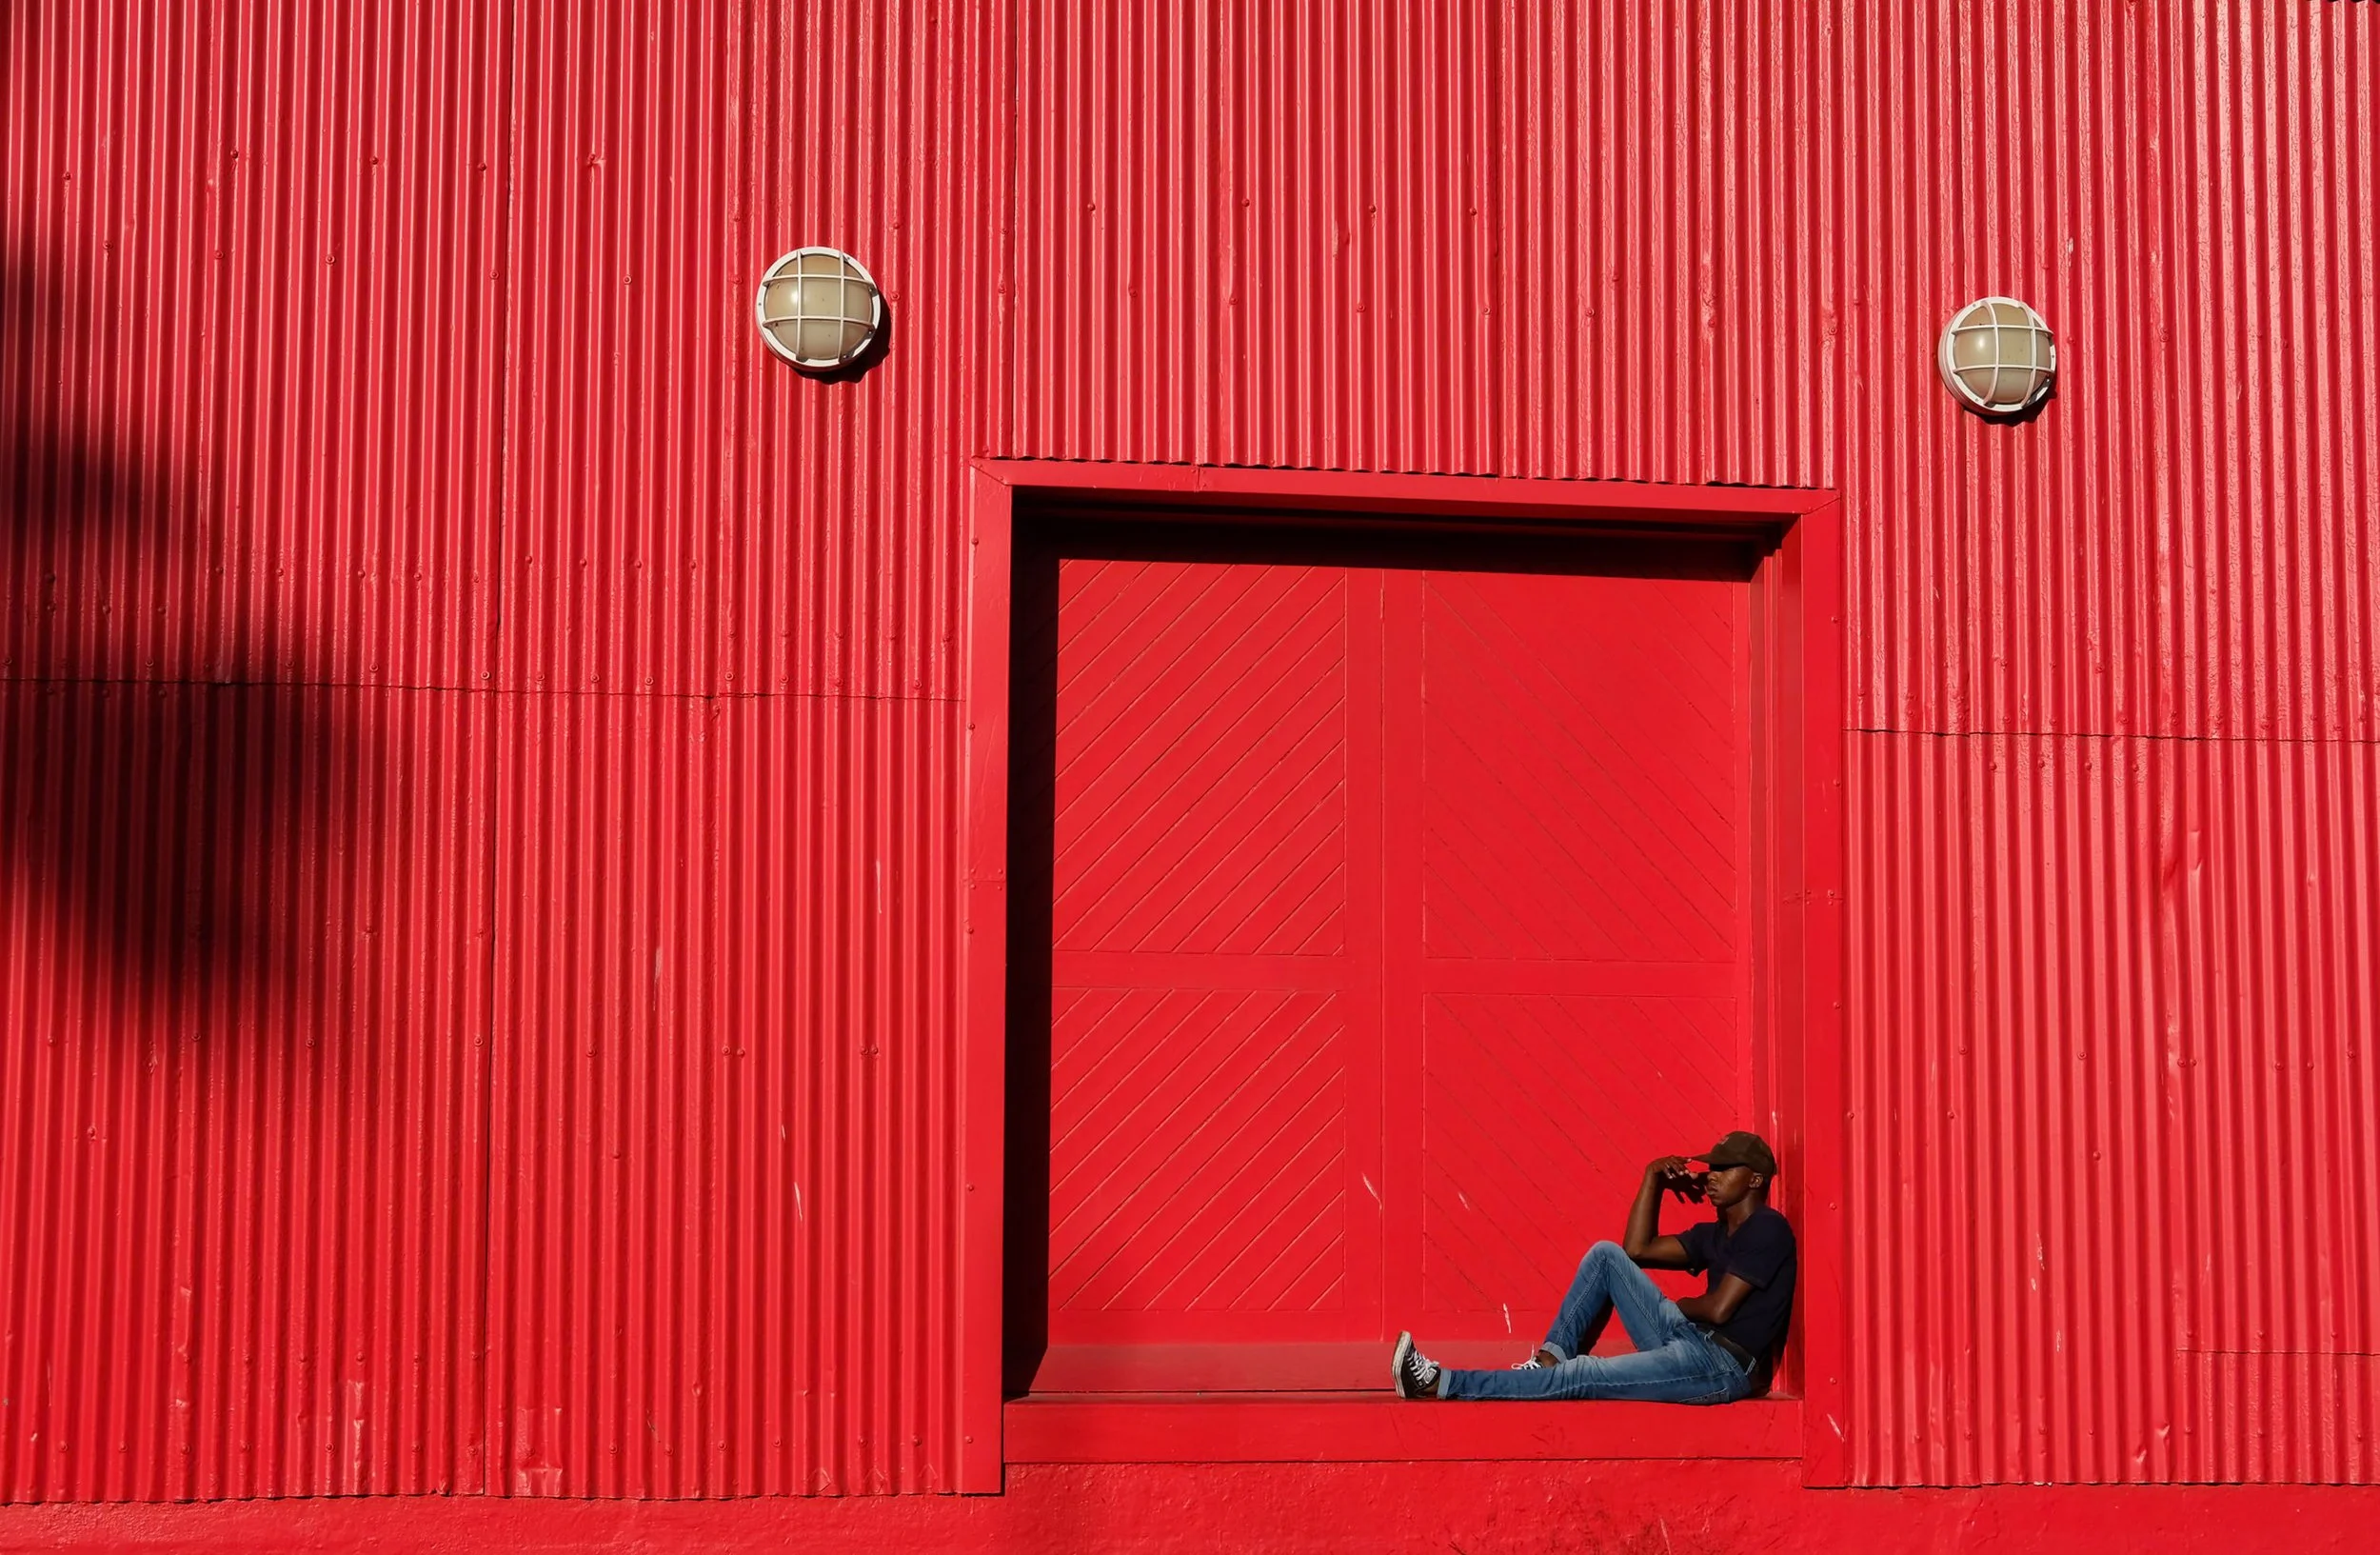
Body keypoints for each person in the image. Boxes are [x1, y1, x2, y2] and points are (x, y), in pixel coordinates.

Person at [1391, 1131, 1795, 1404]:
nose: (1711, 1176)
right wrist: (1652, 1177)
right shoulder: (1717, 1231)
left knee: (1582, 1375)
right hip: (1689, 1338)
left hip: (1720, 1366)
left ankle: (1442, 1383)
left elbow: (1720, 1309)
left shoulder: (1768, 1228)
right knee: (1606, 1256)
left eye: (1724, 1169)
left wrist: (1679, 1307)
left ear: (1756, 1179)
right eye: (1711, 1167)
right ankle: (1550, 1358)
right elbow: (1636, 1250)